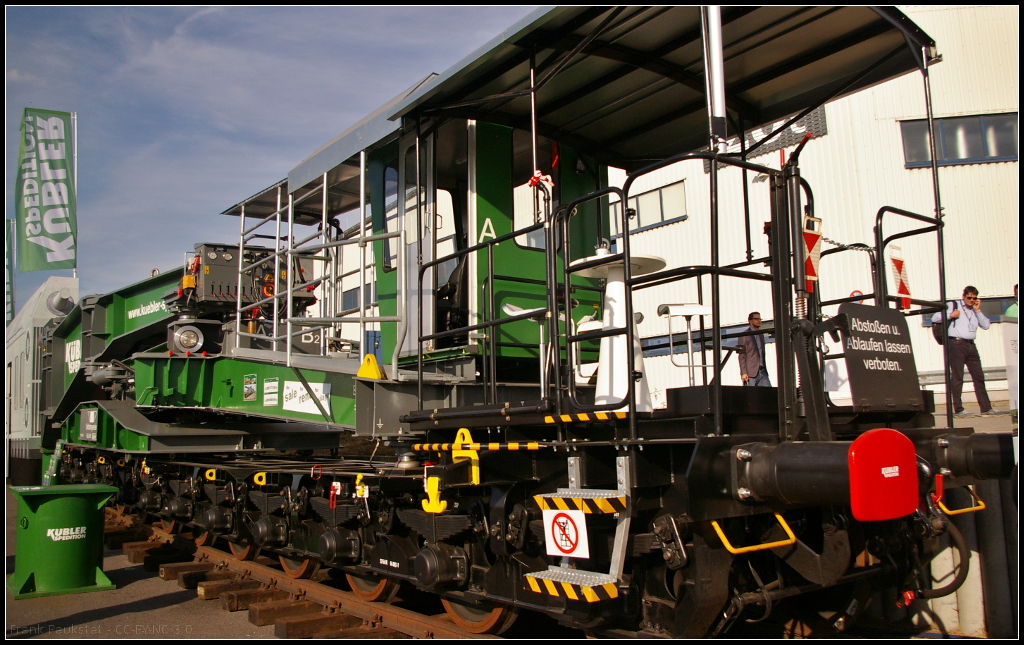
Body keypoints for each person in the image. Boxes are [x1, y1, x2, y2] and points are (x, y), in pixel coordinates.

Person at [932, 286, 1004, 418]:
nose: (971, 300)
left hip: (971, 345)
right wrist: (950, 315)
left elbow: (986, 325)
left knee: (978, 376)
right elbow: (935, 317)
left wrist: (977, 311)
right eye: (969, 297)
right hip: (956, 344)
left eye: (974, 298)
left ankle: (986, 408)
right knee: (958, 376)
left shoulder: (974, 310)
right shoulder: (953, 305)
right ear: (964, 296)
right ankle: (959, 409)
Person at [738, 311, 771, 387]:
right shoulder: (745, 335)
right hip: (751, 373)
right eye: (756, 319)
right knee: (751, 395)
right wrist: (744, 372)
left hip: (762, 371)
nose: (759, 321)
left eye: (760, 319)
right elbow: (742, 355)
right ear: (750, 321)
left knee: (769, 394)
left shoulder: (761, 335)